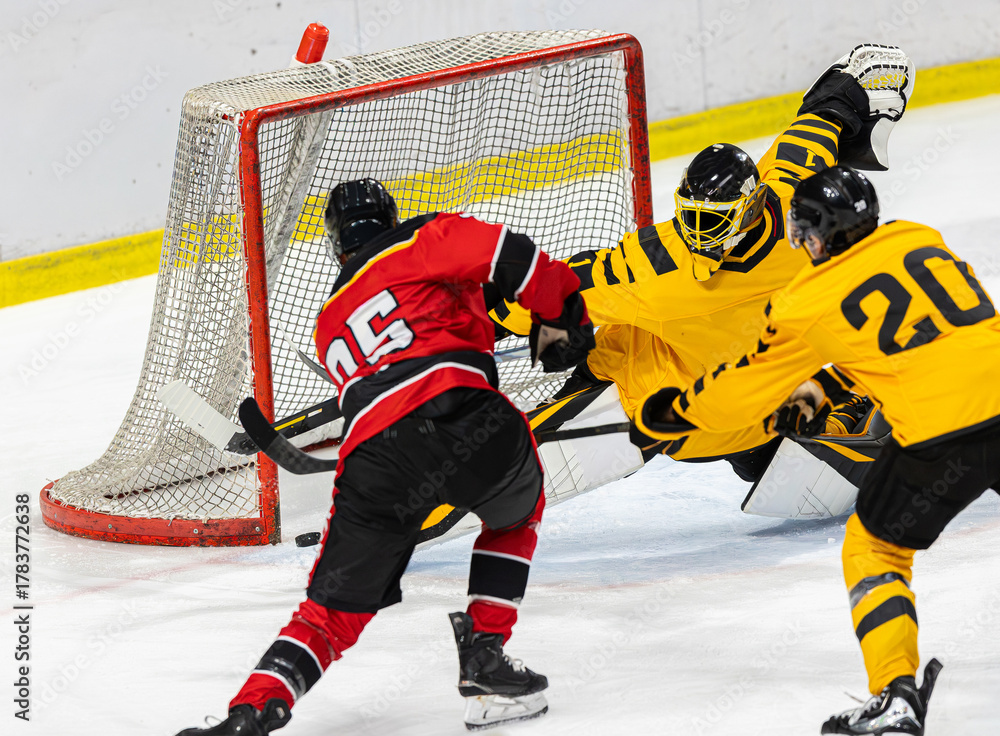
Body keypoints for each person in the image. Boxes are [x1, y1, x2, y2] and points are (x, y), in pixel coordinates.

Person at [174, 178, 595, 734]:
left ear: (335, 245)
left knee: (331, 611)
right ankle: (486, 655)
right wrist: (565, 318)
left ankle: (250, 711)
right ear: (392, 217)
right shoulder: (425, 236)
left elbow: (420, 326)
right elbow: (516, 256)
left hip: (374, 458)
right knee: (516, 511)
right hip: (466, 417)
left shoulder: (329, 320)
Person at [634, 164, 1000, 734]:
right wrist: (823, 389)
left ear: (816, 233)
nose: (798, 241)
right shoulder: (919, 237)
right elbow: (927, 342)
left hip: (938, 434)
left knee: (873, 552)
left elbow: (740, 391)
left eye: (801, 229)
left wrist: (676, 412)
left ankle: (897, 698)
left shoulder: (806, 297)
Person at [491, 44, 912, 490]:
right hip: (638, 395)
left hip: (732, 411)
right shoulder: (659, 264)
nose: (696, 232)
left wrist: (842, 97)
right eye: (689, 215)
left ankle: (853, 400)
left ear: (751, 208)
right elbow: (561, 287)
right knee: (505, 465)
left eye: (710, 220)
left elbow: (809, 140)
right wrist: (490, 316)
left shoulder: (797, 215)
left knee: (765, 461)